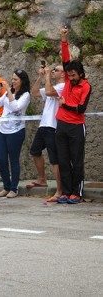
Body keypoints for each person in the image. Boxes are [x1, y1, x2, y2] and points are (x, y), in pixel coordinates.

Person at [55, 27, 92, 204]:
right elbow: (65, 58)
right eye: (68, 75)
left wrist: (65, 105)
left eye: (73, 75)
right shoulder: (69, 78)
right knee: (63, 160)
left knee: (77, 162)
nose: (70, 77)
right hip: (61, 125)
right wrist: (63, 38)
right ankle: (66, 192)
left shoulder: (85, 86)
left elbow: (81, 108)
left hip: (77, 127)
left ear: (81, 74)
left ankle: (77, 193)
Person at [27, 63, 65, 202]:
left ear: (63, 74)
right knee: (35, 151)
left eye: (56, 70)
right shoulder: (51, 85)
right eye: (53, 70)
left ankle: (60, 190)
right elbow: (35, 92)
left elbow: (49, 92)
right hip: (44, 124)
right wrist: (40, 76)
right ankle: (42, 179)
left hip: (54, 126)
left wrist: (48, 75)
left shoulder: (62, 86)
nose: (53, 71)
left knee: (55, 159)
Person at [0, 69, 31, 198]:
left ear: (22, 81)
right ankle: (6, 186)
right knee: (1, 160)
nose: (13, 81)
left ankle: (13, 188)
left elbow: (15, 107)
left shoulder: (25, 95)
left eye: (15, 79)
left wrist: (8, 91)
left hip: (16, 131)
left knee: (13, 159)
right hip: (2, 130)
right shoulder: (9, 92)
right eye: (12, 79)